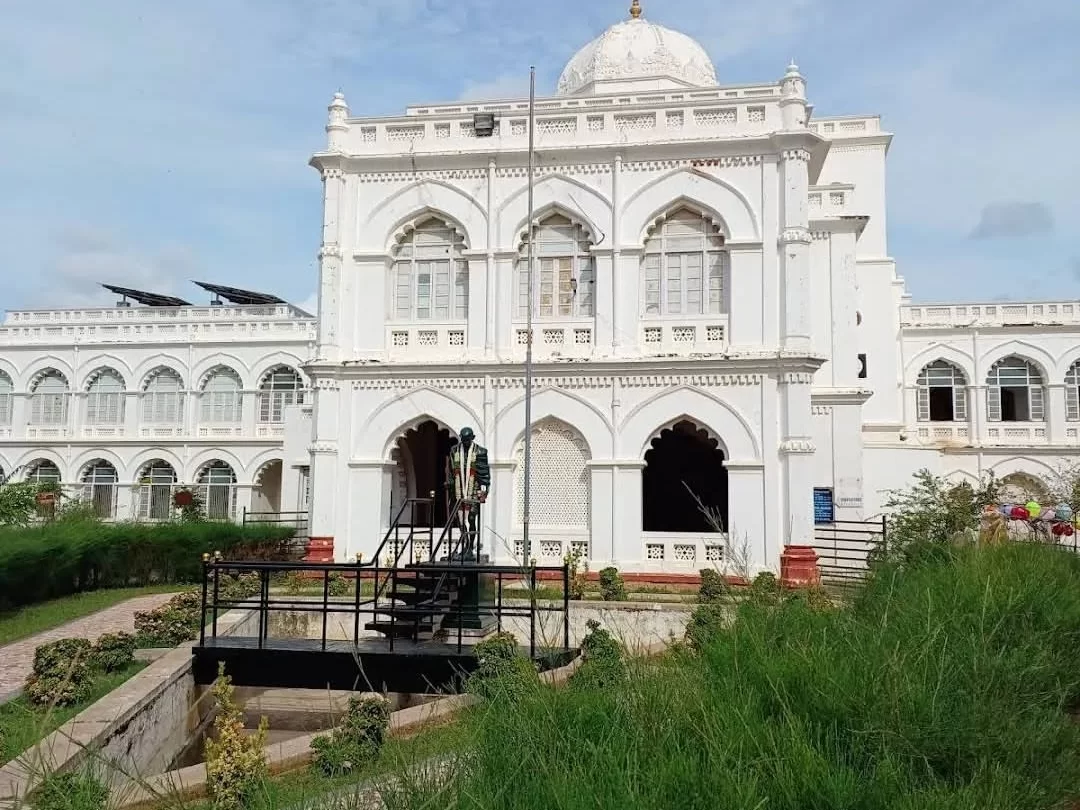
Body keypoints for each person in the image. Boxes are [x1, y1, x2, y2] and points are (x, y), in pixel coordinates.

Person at [446, 427, 490, 555]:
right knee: (460, 521)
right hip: (458, 490)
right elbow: (451, 470)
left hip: (473, 489)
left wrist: (484, 491)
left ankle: (470, 547)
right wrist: (449, 483)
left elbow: (485, 474)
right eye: (463, 440)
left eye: (467, 440)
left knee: (471, 518)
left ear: (472, 438)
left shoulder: (480, 451)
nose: (465, 442)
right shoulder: (454, 451)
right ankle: (465, 544)